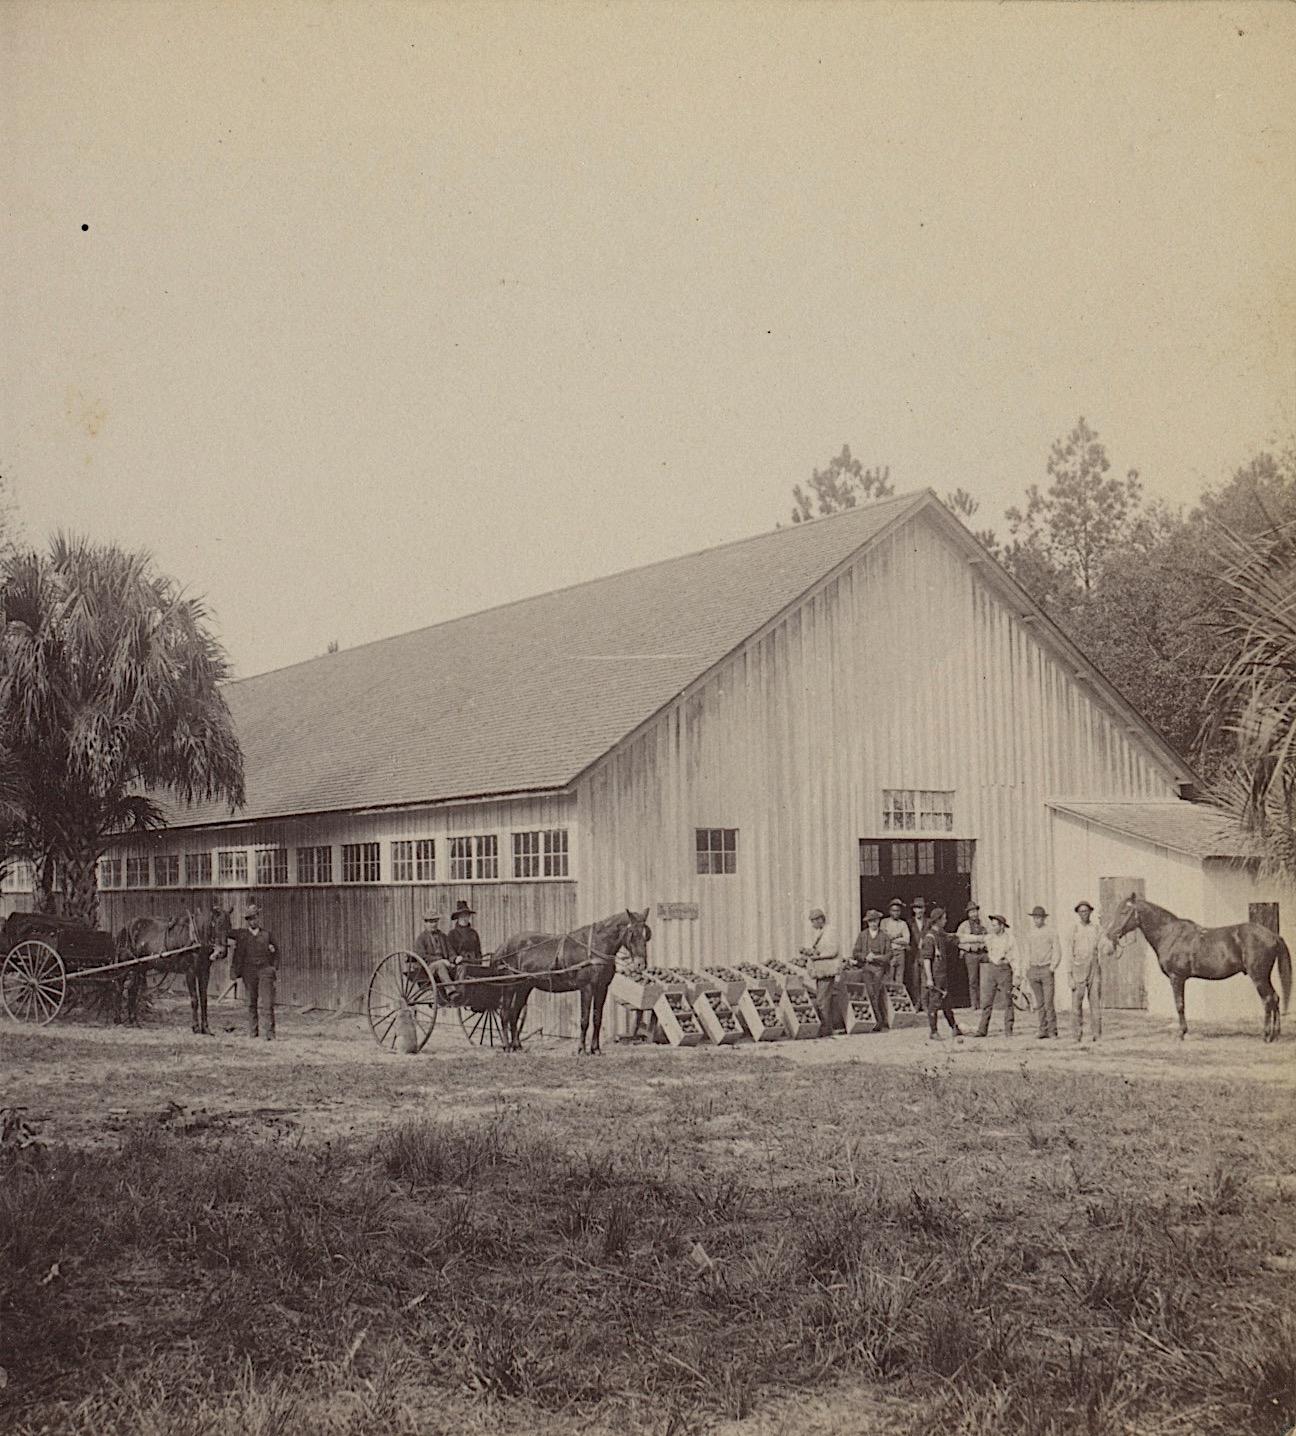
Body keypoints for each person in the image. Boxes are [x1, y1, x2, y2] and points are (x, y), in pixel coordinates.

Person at [230, 902, 278, 1041]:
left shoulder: (267, 935)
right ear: (247, 921)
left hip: (264, 970)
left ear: (258, 917)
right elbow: (224, 931)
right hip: (249, 972)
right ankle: (253, 1033)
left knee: (267, 1003)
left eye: (254, 917)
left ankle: (269, 1034)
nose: (252, 921)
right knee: (251, 1002)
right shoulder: (242, 935)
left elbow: (277, 952)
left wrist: (273, 967)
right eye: (249, 918)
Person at [1068, 901, 1110, 1043]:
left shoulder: (1097, 928)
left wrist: (1109, 946)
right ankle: (1076, 1035)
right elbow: (1069, 953)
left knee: (1095, 1003)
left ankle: (1097, 1035)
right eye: (1081, 912)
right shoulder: (1074, 929)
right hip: (1078, 968)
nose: (1084, 914)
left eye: (1086, 911)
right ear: (1078, 914)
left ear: (1090, 912)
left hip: (1094, 968)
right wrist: (1070, 976)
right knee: (1076, 1005)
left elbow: (1104, 945)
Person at [799, 906, 844, 1037]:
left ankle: (825, 1029)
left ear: (820, 920)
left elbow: (833, 950)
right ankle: (827, 1027)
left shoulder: (830, 931)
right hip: (822, 970)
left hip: (827, 969)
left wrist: (816, 956)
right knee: (823, 999)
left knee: (822, 1000)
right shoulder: (822, 931)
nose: (812, 924)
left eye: (813, 921)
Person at [921, 907, 964, 1041]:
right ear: (937, 920)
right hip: (935, 976)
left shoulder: (940, 934)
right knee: (934, 1004)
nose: (946, 920)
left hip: (943, 975)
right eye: (944, 918)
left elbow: (954, 938)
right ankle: (933, 1032)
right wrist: (929, 979)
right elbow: (927, 960)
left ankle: (954, 1028)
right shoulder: (930, 938)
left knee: (946, 1003)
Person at [974, 914, 1017, 1037]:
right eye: (992, 925)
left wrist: (1018, 975)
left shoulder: (1010, 939)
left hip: (1005, 970)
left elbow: (1015, 957)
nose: (992, 928)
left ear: (1002, 926)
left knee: (1008, 1001)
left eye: (995, 925)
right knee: (987, 1001)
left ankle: (1008, 1029)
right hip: (992, 969)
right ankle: (982, 1029)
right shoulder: (989, 938)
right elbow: (975, 938)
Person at [1024, 905, 1062, 1039]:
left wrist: (1052, 967)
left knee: (1048, 1002)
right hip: (1034, 969)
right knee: (1039, 1003)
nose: (1037, 920)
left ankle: (1052, 1030)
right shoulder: (1030, 933)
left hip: (1046, 968)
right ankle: (1042, 1029)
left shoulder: (1051, 931)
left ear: (1044, 918)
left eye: (1039, 918)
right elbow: (1027, 951)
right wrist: (1027, 967)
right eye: (1035, 918)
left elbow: (1057, 950)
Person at [851, 909, 892, 1031]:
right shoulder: (863, 935)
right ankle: (877, 1020)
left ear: (879, 921)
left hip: (879, 968)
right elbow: (855, 952)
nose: (873, 923)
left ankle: (879, 1021)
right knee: (870, 992)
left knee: (876, 992)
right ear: (868, 922)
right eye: (871, 921)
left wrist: (878, 958)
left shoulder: (884, 936)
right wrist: (865, 957)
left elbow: (890, 954)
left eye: (875, 921)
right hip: (867, 968)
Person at [955, 902, 989, 1012]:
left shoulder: (983, 924)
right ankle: (974, 1004)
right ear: (968, 913)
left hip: (982, 953)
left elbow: (988, 937)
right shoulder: (964, 926)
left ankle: (985, 1003)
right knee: (973, 979)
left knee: (986, 978)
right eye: (971, 912)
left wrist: (983, 943)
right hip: (971, 954)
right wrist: (968, 947)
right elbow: (958, 940)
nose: (974, 914)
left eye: (975, 911)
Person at [414, 909, 458, 994]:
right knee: (440, 965)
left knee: (461, 967)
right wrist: (440, 960)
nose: (433, 924)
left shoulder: (443, 936)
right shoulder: (421, 938)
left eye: (435, 921)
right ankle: (451, 990)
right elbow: (422, 956)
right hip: (428, 969)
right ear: (425, 923)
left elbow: (451, 952)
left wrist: (455, 958)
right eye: (430, 922)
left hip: (445, 966)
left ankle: (462, 992)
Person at [881, 899, 912, 989]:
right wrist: (898, 935)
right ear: (890, 911)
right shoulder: (884, 922)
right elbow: (884, 938)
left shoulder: (903, 924)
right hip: (889, 952)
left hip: (900, 952)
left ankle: (898, 999)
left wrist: (892, 938)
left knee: (899, 977)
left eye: (898, 911)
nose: (896, 913)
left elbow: (906, 940)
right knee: (889, 975)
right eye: (894, 910)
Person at [907, 895, 930, 1004]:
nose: (919, 911)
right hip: (914, 955)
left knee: (925, 980)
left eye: (921, 908)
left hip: (926, 954)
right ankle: (917, 1003)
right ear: (913, 910)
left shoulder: (929, 922)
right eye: (917, 908)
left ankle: (925, 1004)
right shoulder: (909, 923)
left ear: (924, 909)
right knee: (915, 980)